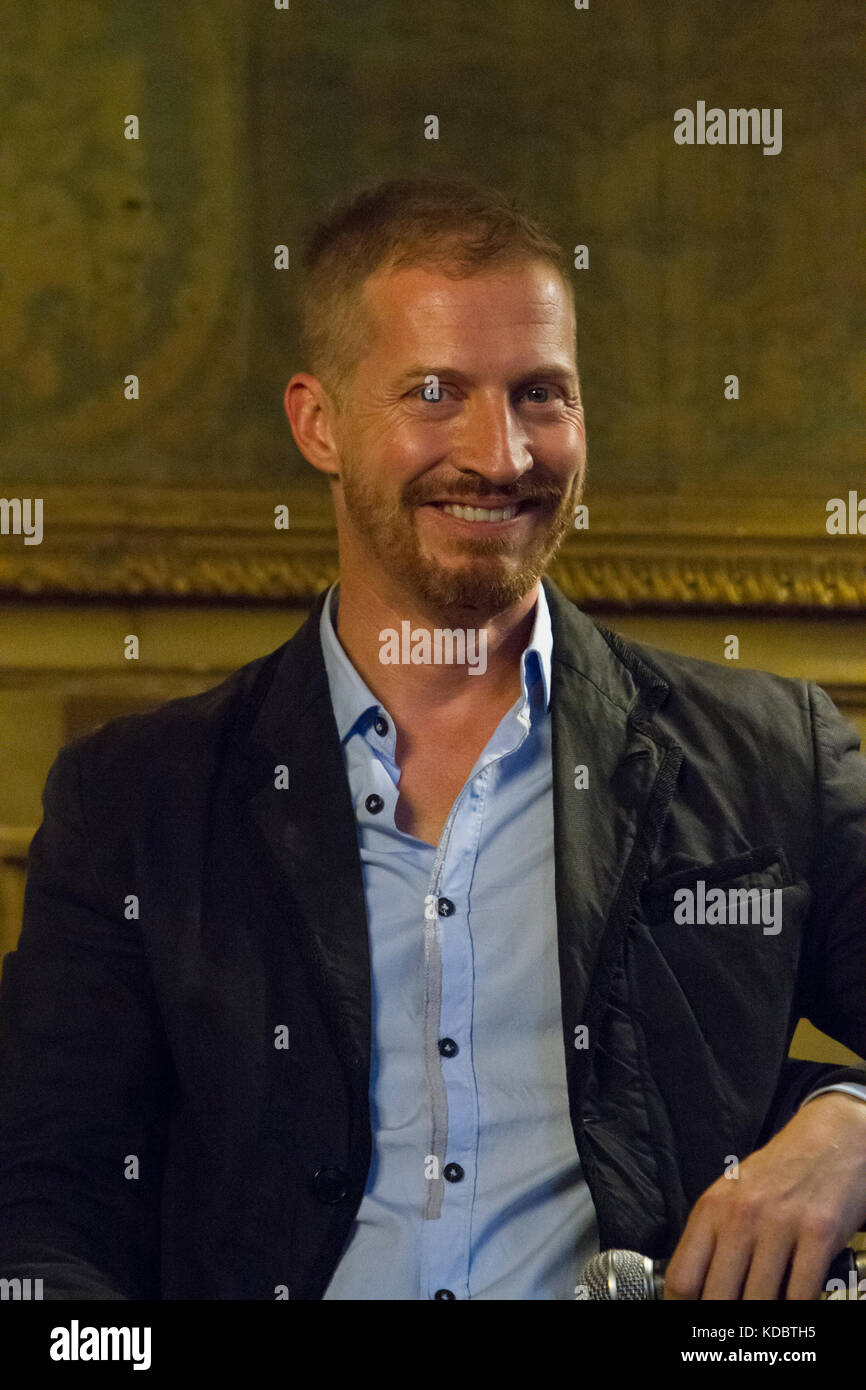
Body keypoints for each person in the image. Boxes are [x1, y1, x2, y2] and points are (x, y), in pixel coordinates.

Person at [1, 177, 865, 1301]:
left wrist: (847, 1126)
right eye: (433, 391)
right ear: (318, 422)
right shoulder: (137, 800)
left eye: (539, 394)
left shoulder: (767, 755)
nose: (500, 456)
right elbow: (48, 1204)